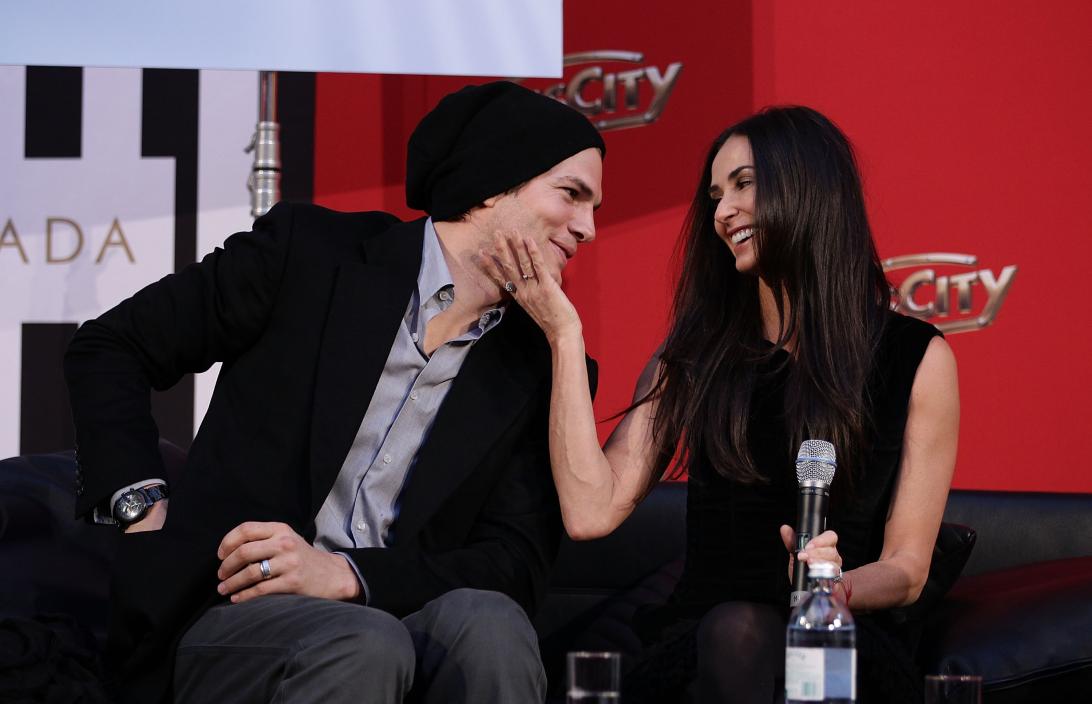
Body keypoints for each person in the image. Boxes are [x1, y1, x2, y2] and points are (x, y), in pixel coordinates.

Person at [63, 81, 604, 704]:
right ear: (493, 183)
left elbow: (511, 564)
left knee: (492, 624)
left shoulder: (542, 367)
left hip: (399, 610)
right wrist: (139, 504)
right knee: (362, 642)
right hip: (231, 608)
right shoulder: (311, 254)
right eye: (571, 194)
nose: (588, 228)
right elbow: (111, 347)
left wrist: (348, 575)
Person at [484, 105, 959, 703]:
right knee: (736, 632)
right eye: (715, 196)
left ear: (808, 187)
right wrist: (564, 335)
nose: (722, 212)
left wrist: (831, 590)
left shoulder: (916, 357)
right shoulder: (695, 354)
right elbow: (589, 512)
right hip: (706, 639)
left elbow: (908, 568)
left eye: (743, 184)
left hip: (841, 636)